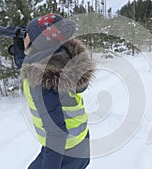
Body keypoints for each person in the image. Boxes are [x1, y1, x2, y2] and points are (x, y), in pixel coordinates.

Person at [14, 13, 95, 169]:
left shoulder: (42, 80)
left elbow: (57, 134)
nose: (24, 38)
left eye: (28, 36)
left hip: (64, 149)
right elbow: (33, 60)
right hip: (80, 142)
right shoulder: (63, 60)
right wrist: (26, 52)